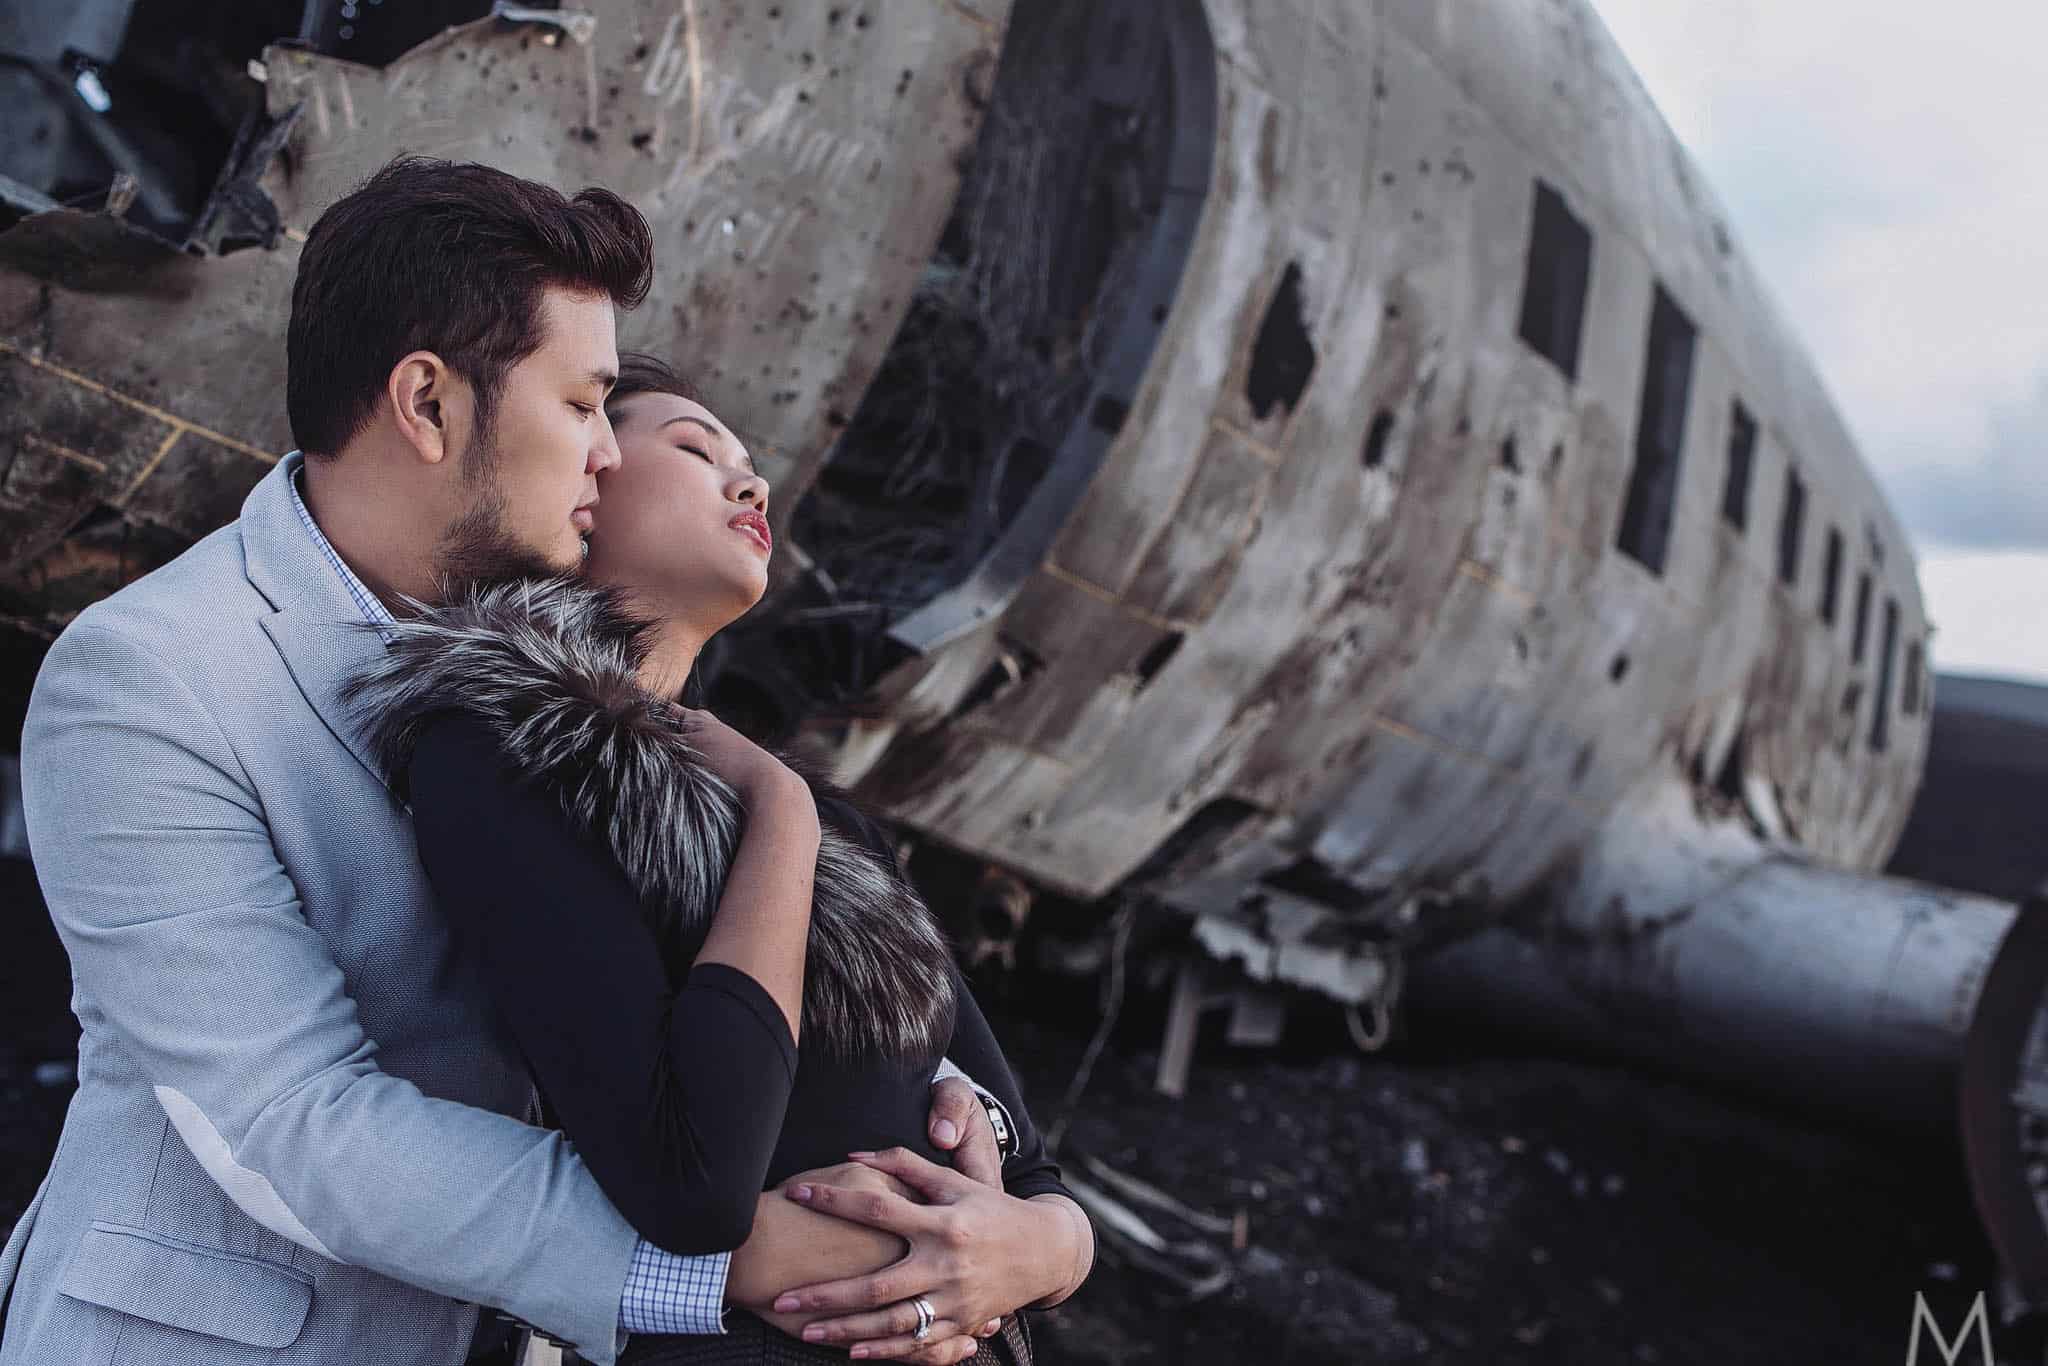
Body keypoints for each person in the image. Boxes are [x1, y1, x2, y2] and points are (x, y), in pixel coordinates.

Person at [0, 156, 1057, 1366]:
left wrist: (1017, 1224)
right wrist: (732, 1263)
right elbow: (290, 1120)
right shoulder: (151, 674)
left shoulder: (577, 702)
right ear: (428, 404)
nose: (607, 454)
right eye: (582, 404)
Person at [342, 352, 1095, 1364]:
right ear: (584, 483)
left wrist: (1033, 1252)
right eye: (697, 451)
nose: (753, 486)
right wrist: (778, 811)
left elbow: (1035, 1170)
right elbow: (697, 1177)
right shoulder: (518, 760)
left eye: (748, 466)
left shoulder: (840, 835)